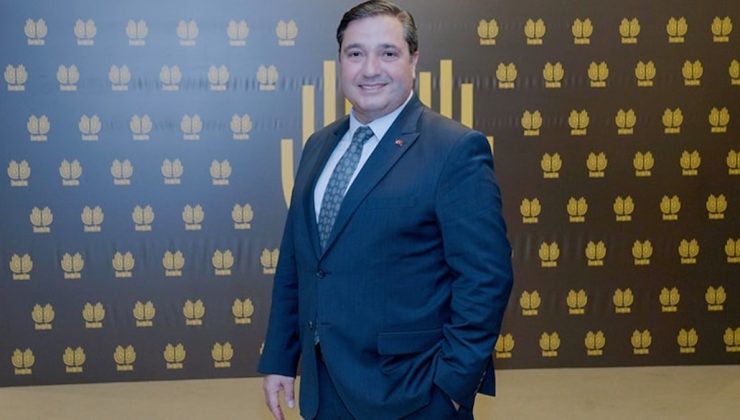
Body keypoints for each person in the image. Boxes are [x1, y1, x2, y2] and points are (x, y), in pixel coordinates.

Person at [258, 1, 513, 418]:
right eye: (356, 53)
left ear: (414, 61)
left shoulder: (455, 149)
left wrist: (452, 386)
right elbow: (298, 262)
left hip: (413, 392)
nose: (370, 69)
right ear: (340, 61)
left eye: (388, 53)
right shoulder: (318, 145)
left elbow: (486, 278)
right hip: (324, 388)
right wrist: (280, 359)